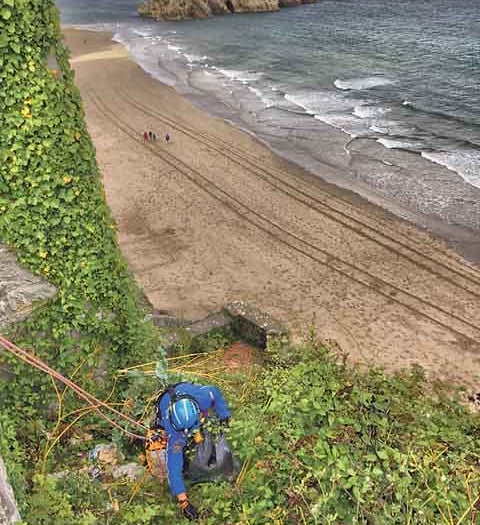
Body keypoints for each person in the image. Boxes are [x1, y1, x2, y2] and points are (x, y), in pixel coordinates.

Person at [153, 382, 231, 521]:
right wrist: (184, 503)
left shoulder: (202, 398)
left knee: (203, 433)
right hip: (164, 403)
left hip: (185, 389)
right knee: (177, 456)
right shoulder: (173, 430)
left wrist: (224, 416)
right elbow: (174, 468)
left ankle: (199, 434)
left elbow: (215, 392)